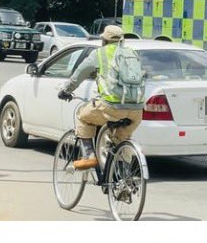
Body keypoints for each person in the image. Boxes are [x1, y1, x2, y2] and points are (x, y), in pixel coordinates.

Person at [57, 25, 144, 170]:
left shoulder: (99, 54)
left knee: (82, 115)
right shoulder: (132, 53)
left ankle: (89, 156)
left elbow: (79, 74)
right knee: (122, 139)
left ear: (104, 40)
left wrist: (66, 90)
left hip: (111, 107)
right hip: (136, 110)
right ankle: (124, 179)